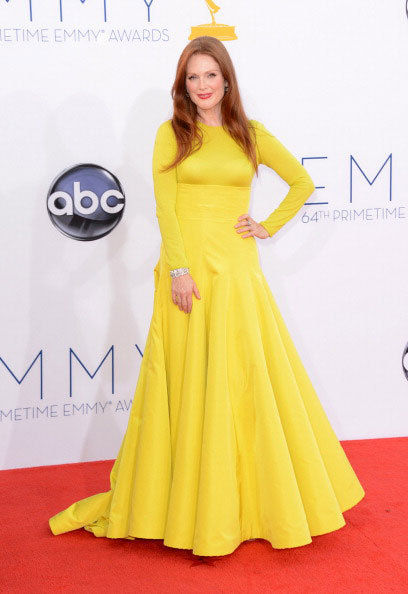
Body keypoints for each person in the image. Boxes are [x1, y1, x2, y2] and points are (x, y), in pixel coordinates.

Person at [48, 36, 365, 557]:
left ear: (226, 80)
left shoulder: (250, 134)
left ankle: (251, 505)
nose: (202, 86)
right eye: (192, 77)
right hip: (188, 274)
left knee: (242, 379)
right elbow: (165, 208)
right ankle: (185, 504)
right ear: (183, 84)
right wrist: (178, 269)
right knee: (187, 381)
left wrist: (266, 226)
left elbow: (302, 182)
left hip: (238, 272)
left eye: (210, 75)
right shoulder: (171, 133)